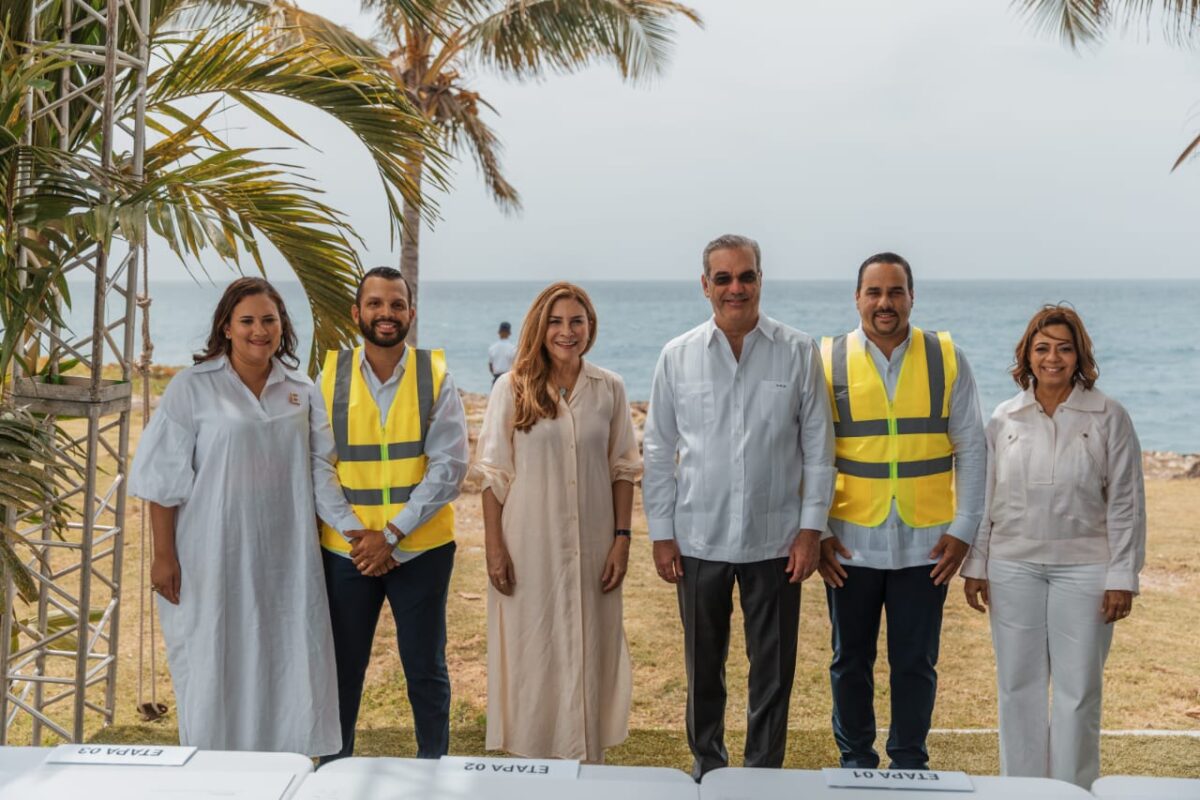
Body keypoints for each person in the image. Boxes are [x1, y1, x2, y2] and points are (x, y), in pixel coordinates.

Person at [642, 234, 836, 780]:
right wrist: (661, 533)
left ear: (760, 280)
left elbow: (819, 449)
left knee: (772, 673)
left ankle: (760, 776)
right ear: (705, 285)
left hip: (776, 541)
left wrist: (811, 531)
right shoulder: (677, 356)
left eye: (746, 276)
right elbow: (657, 449)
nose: (736, 288)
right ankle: (707, 769)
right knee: (703, 669)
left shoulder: (798, 350)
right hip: (697, 538)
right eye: (723, 278)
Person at [129, 277, 340, 755]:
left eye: (269, 320)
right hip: (211, 552)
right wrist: (164, 556)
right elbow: (163, 479)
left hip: (286, 555)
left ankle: (283, 767)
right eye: (247, 321)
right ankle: (213, 768)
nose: (259, 330)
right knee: (215, 655)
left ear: (282, 326)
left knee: (284, 657)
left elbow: (319, 469)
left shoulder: (301, 389)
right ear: (226, 327)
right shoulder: (193, 388)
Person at [961, 305, 1145, 789]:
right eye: (1042, 348)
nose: (1053, 358)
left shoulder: (1108, 415)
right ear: (1027, 355)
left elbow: (1126, 503)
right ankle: (1021, 792)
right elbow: (985, 498)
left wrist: (1122, 576)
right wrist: (977, 564)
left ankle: (1072, 792)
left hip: (1086, 569)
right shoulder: (1004, 417)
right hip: (1012, 567)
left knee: (1078, 691)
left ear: (1079, 355)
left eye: (1064, 348)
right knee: (1016, 687)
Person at [816, 253, 985, 770]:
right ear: (857, 298)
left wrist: (964, 529)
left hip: (927, 543)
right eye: (874, 292)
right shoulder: (827, 359)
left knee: (915, 661)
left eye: (895, 291)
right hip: (850, 541)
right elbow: (810, 451)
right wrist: (817, 530)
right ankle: (856, 760)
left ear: (912, 296)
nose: (884, 303)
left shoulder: (947, 357)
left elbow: (972, 447)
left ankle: (910, 759)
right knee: (850, 660)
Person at [476, 282, 641, 763]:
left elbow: (623, 468)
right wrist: (494, 549)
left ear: (590, 327)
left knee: (590, 648)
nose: (566, 331)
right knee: (534, 652)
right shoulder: (512, 387)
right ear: (539, 327)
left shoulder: (610, 388)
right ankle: (534, 768)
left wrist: (622, 540)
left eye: (576, 321)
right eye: (556, 321)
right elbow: (493, 475)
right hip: (529, 546)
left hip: (594, 548)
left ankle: (586, 766)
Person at [310, 266, 469, 761]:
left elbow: (450, 467)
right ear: (356, 313)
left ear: (411, 314)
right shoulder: (329, 377)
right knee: (342, 670)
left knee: (426, 670)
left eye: (397, 304)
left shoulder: (434, 376)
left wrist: (393, 534)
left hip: (420, 550)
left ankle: (433, 770)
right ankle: (333, 773)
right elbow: (317, 464)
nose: (387, 313)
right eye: (375, 303)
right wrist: (360, 536)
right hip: (349, 552)